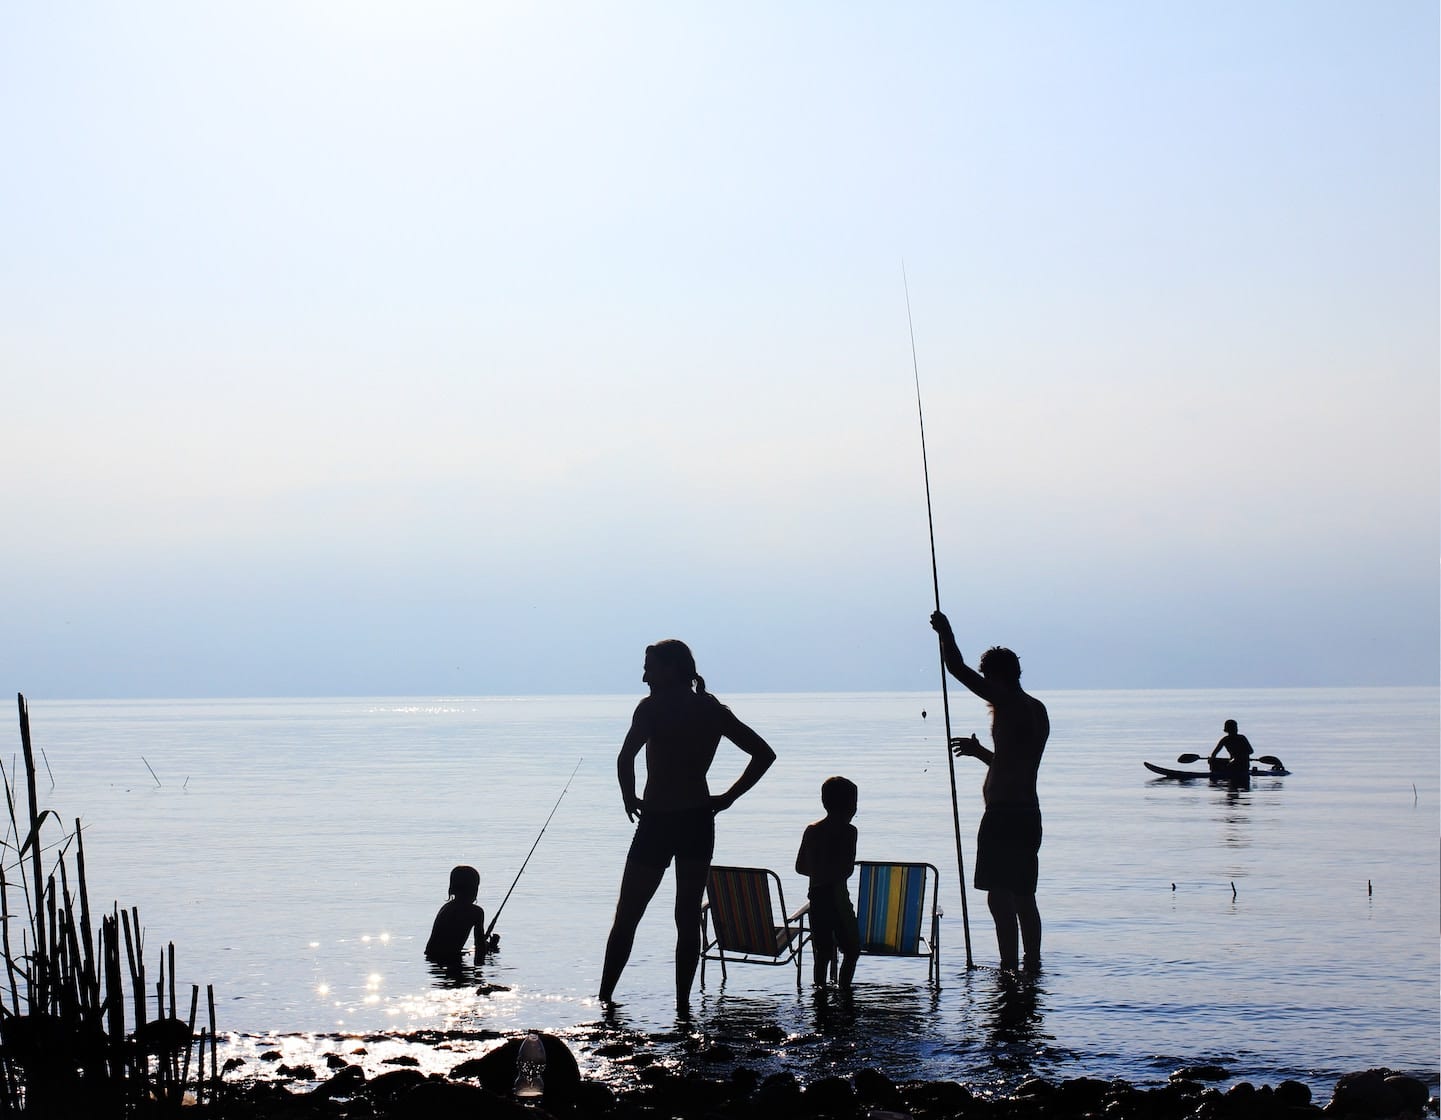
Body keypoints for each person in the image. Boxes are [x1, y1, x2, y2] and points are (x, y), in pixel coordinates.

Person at [599, 639, 776, 1015]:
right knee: (686, 916)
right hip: (698, 819)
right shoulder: (710, 710)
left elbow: (624, 757)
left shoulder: (651, 709)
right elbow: (764, 754)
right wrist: (727, 797)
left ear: (671, 669)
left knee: (628, 914)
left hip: (659, 822)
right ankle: (682, 1007)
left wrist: (629, 798)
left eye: (650, 667)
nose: (644, 676)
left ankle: (605, 999)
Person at [930, 610, 1049, 973]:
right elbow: (1014, 762)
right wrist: (982, 753)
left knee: (1000, 898)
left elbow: (956, 669)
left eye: (987, 679)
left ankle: (1008, 968)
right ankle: (1031, 965)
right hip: (1028, 813)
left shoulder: (1010, 703)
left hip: (1003, 815)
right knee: (1024, 895)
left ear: (997, 676)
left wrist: (945, 632)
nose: (984, 686)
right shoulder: (1037, 709)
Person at [795, 776, 861, 990]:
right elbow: (847, 870)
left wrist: (818, 873)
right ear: (851, 806)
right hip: (837, 896)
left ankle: (819, 990)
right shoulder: (849, 832)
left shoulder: (812, 830)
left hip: (816, 896)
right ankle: (844, 990)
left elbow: (799, 867)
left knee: (822, 951)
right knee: (851, 949)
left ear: (824, 802)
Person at [424, 864, 500, 962]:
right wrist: (491, 946)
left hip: (431, 958)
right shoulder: (476, 912)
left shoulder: (446, 908)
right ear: (474, 889)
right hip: (450, 959)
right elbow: (480, 948)